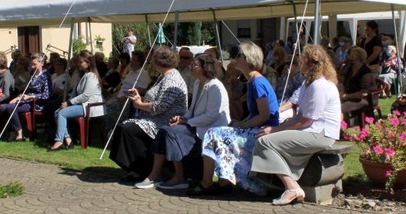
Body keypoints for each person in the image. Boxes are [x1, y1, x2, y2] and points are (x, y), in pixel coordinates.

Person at [251, 44, 341, 205]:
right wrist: (279, 127)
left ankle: (291, 187)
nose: (299, 64)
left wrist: (274, 129)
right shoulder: (309, 84)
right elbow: (300, 115)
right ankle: (286, 184)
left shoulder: (319, 86)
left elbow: (305, 121)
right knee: (266, 139)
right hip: (313, 130)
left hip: (321, 134)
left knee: (264, 142)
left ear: (311, 64)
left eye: (302, 61)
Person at [188, 41, 279, 197]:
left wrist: (242, 126)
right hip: (257, 128)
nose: (235, 58)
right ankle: (221, 182)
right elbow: (256, 114)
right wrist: (240, 124)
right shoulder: (252, 81)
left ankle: (209, 183)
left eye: (238, 55)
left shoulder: (257, 82)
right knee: (215, 133)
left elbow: (265, 115)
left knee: (213, 134)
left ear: (248, 58)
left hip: (263, 131)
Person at [135, 53, 230, 189]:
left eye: (195, 64)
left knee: (171, 132)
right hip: (197, 125)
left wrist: (187, 122)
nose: (191, 66)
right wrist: (183, 118)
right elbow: (192, 109)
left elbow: (211, 116)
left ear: (205, 67)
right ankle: (156, 174)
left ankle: (179, 176)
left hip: (211, 129)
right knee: (165, 130)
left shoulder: (215, 86)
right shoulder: (198, 83)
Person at [109, 46, 188, 181]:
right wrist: (139, 97)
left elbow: (160, 107)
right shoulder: (163, 76)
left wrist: (139, 104)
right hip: (153, 118)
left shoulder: (172, 79)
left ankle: (143, 169)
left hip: (164, 120)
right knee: (125, 128)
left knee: (127, 129)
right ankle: (137, 168)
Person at [50, 52, 104, 150]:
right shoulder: (83, 75)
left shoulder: (91, 76)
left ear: (88, 63)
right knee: (57, 112)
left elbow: (85, 95)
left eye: (81, 62)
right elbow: (76, 93)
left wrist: (69, 103)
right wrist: (67, 102)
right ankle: (68, 140)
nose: (78, 64)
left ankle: (58, 141)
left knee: (61, 113)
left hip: (89, 106)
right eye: (78, 62)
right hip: (82, 104)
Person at [0, 53, 51, 142]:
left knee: (11, 108)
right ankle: (11, 132)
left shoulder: (46, 77)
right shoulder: (32, 76)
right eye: (31, 64)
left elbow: (46, 95)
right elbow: (26, 91)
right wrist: (17, 98)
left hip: (36, 103)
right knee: (3, 107)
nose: (32, 67)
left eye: (35, 64)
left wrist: (30, 97)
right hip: (25, 100)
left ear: (41, 63)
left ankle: (19, 133)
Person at [340, 47, 376, 123]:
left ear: (359, 58)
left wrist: (346, 96)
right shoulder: (350, 68)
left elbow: (363, 93)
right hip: (350, 96)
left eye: (352, 57)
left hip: (364, 99)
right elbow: (345, 82)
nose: (350, 58)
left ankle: (342, 130)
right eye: (350, 56)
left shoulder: (365, 72)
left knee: (339, 108)